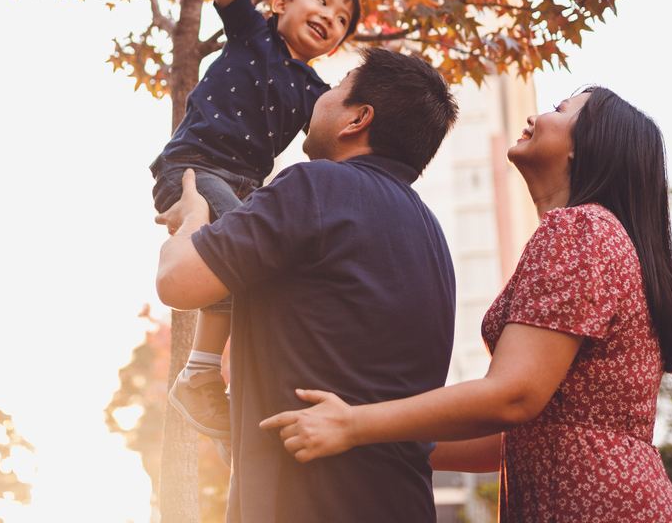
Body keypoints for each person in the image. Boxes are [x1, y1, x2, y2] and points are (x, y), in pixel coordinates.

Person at [260, 87, 672, 523]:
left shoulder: (580, 228)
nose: (535, 117)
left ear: (585, 145)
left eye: (559, 110)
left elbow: (513, 396)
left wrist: (353, 424)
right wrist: (370, 443)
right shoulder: (597, 235)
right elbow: (509, 438)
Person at [156, 48, 460, 523]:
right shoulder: (431, 234)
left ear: (356, 119)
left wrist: (195, 215)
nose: (320, 97)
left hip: (306, 503)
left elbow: (177, 282)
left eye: (336, 87)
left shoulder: (316, 186)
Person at [150, 0, 360, 446]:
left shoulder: (316, 92)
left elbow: (336, 141)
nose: (330, 18)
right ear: (281, 4)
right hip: (193, 167)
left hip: (245, 186)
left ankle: (225, 389)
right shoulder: (252, 34)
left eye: (342, 21)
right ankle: (197, 375)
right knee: (237, 253)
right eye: (321, 1)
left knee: (259, 274)